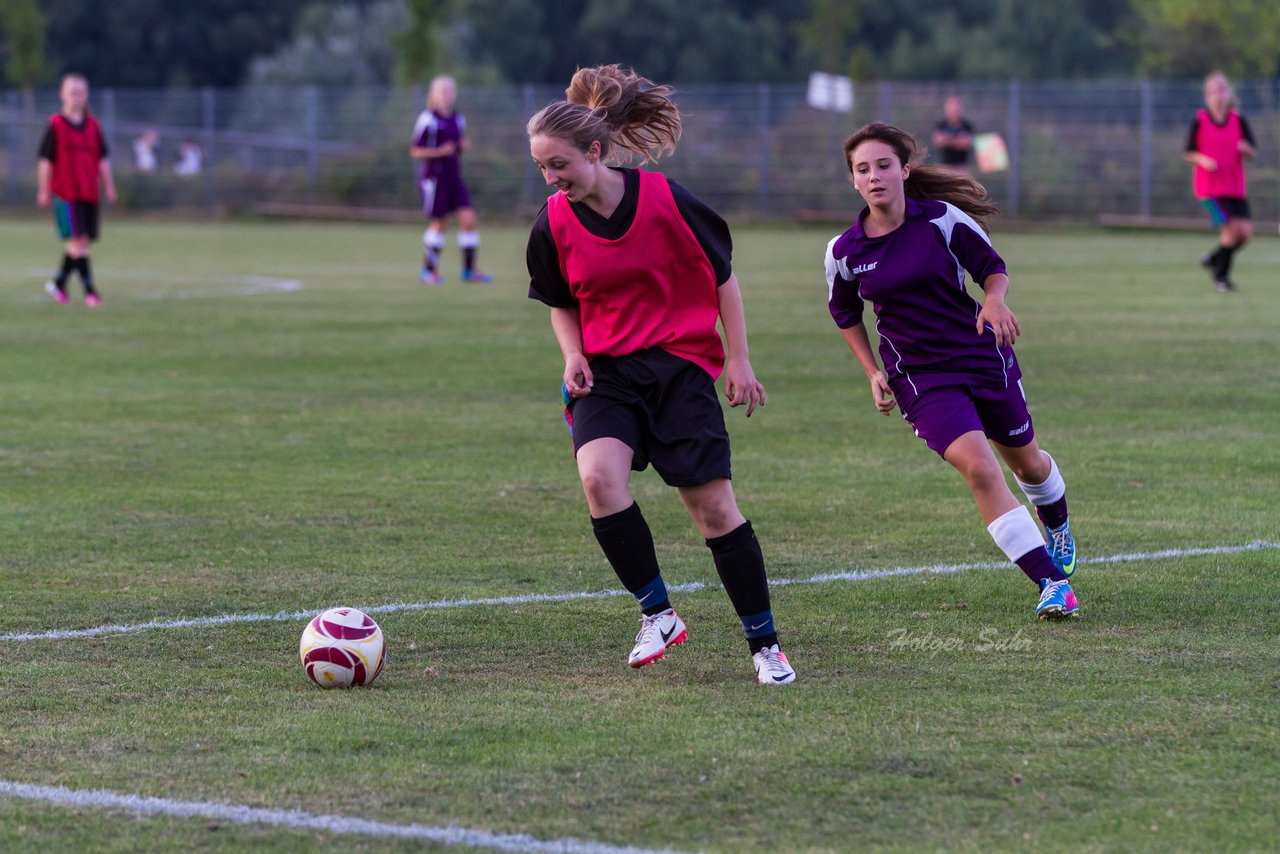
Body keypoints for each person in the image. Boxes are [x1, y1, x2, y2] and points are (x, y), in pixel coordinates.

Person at [525, 65, 795, 684]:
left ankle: (765, 646)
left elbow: (723, 276)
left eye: (559, 164)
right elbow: (560, 300)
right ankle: (658, 612)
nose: (551, 178)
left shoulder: (668, 200)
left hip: (678, 371)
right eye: (542, 167)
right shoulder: (553, 222)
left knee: (714, 511)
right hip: (608, 376)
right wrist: (573, 354)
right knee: (597, 478)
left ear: (594, 151)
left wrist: (739, 357)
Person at [825, 123, 1079, 620]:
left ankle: (1058, 522)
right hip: (920, 378)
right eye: (862, 169)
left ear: (904, 170)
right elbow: (845, 314)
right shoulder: (844, 251)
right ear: (853, 180)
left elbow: (991, 267)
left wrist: (996, 301)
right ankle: (1052, 584)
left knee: (1027, 465)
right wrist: (872, 371)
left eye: (883, 165)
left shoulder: (942, 219)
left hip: (982, 355)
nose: (874, 176)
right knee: (981, 469)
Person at [37, 73, 116, 307]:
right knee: (77, 242)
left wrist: (109, 186)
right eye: (71, 92)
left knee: (83, 243)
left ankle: (58, 283)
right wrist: (43, 190)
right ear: (62, 94)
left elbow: (102, 160)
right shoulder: (56, 125)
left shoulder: (93, 127)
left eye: (80, 92)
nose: (76, 97)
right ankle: (91, 292)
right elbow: (45, 161)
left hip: (88, 192)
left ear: (86, 95)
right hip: (65, 193)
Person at [410, 75, 491, 285]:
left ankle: (469, 270)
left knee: (469, 220)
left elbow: (457, 147)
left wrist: (462, 147)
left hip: (455, 178)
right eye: (442, 91)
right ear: (434, 95)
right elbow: (415, 150)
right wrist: (438, 152)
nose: (446, 95)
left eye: (449, 91)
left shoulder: (458, 119)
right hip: (435, 180)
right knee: (441, 223)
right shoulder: (428, 119)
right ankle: (428, 271)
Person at [1185, 72, 1256, 293]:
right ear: (1207, 95)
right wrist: (1203, 159)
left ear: (1229, 93)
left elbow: (1252, 150)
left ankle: (1215, 258)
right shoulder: (1200, 120)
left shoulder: (1238, 121)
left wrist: (1246, 150)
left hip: (1234, 186)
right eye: (1214, 91)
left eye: (1222, 90)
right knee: (1231, 229)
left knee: (1245, 234)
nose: (1219, 95)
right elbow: (1188, 151)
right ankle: (1221, 278)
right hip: (1209, 188)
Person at [931, 96, 974, 173]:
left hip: (961, 168)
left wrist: (946, 140)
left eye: (956, 110)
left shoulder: (966, 125)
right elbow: (938, 142)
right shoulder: (941, 125)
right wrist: (957, 140)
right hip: (945, 167)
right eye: (951, 110)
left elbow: (965, 143)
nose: (954, 113)